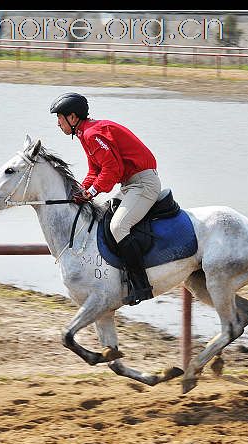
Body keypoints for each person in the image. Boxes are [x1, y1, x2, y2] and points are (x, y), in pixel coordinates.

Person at [50, 92, 161, 305]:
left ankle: (140, 285)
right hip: (130, 185)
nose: (58, 123)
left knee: (119, 227)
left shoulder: (92, 134)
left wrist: (92, 193)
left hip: (143, 184)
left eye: (59, 118)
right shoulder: (86, 134)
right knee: (105, 220)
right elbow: (95, 170)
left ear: (72, 118)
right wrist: (81, 190)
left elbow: (112, 168)